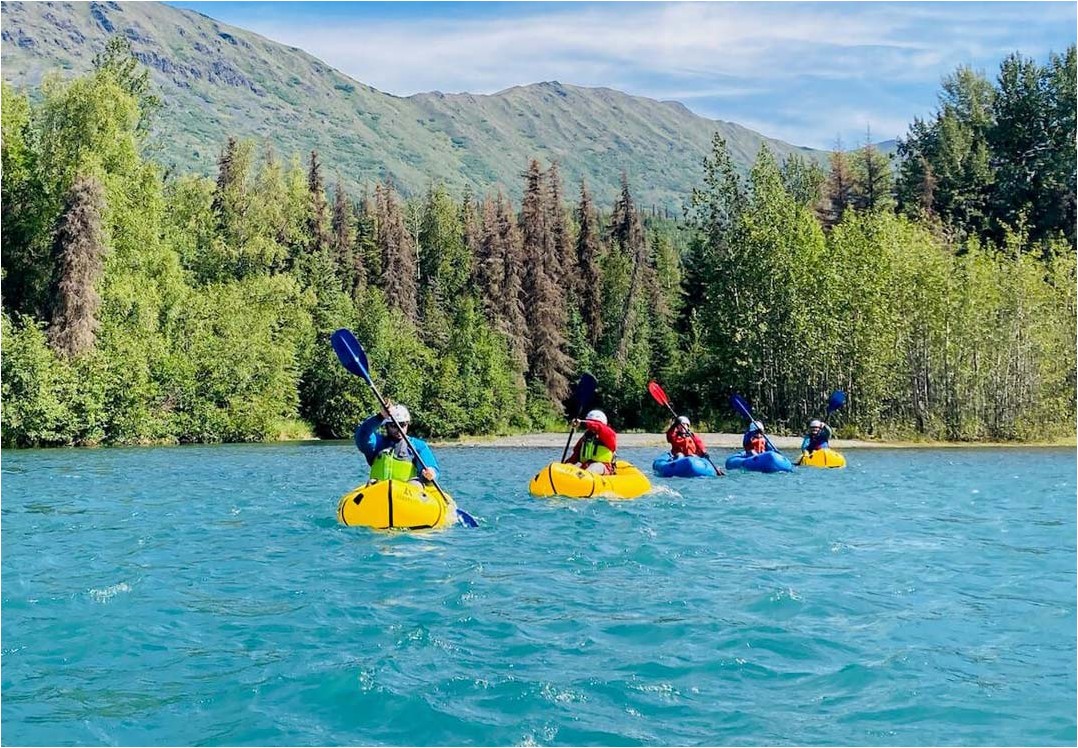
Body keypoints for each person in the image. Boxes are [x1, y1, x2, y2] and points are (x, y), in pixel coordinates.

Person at [354, 403, 438, 487]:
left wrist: (431, 473)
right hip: (378, 491)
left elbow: (430, 466)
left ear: (407, 424)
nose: (399, 429)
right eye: (394, 425)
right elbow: (362, 434)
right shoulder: (377, 443)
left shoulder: (417, 446)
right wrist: (380, 416)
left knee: (416, 483)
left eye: (403, 425)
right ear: (387, 426)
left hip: (407, 493)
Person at [566, 409, 617, 475]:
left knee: (593, 468)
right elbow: (576, 455)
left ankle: (582, 479)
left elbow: (599, 427)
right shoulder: (586, 437)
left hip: (603, 466)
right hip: (585, 465)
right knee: (570, 466)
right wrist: (566, 465)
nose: (591, 427)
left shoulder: (609, 435)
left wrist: (583, 422)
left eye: (593, 423)